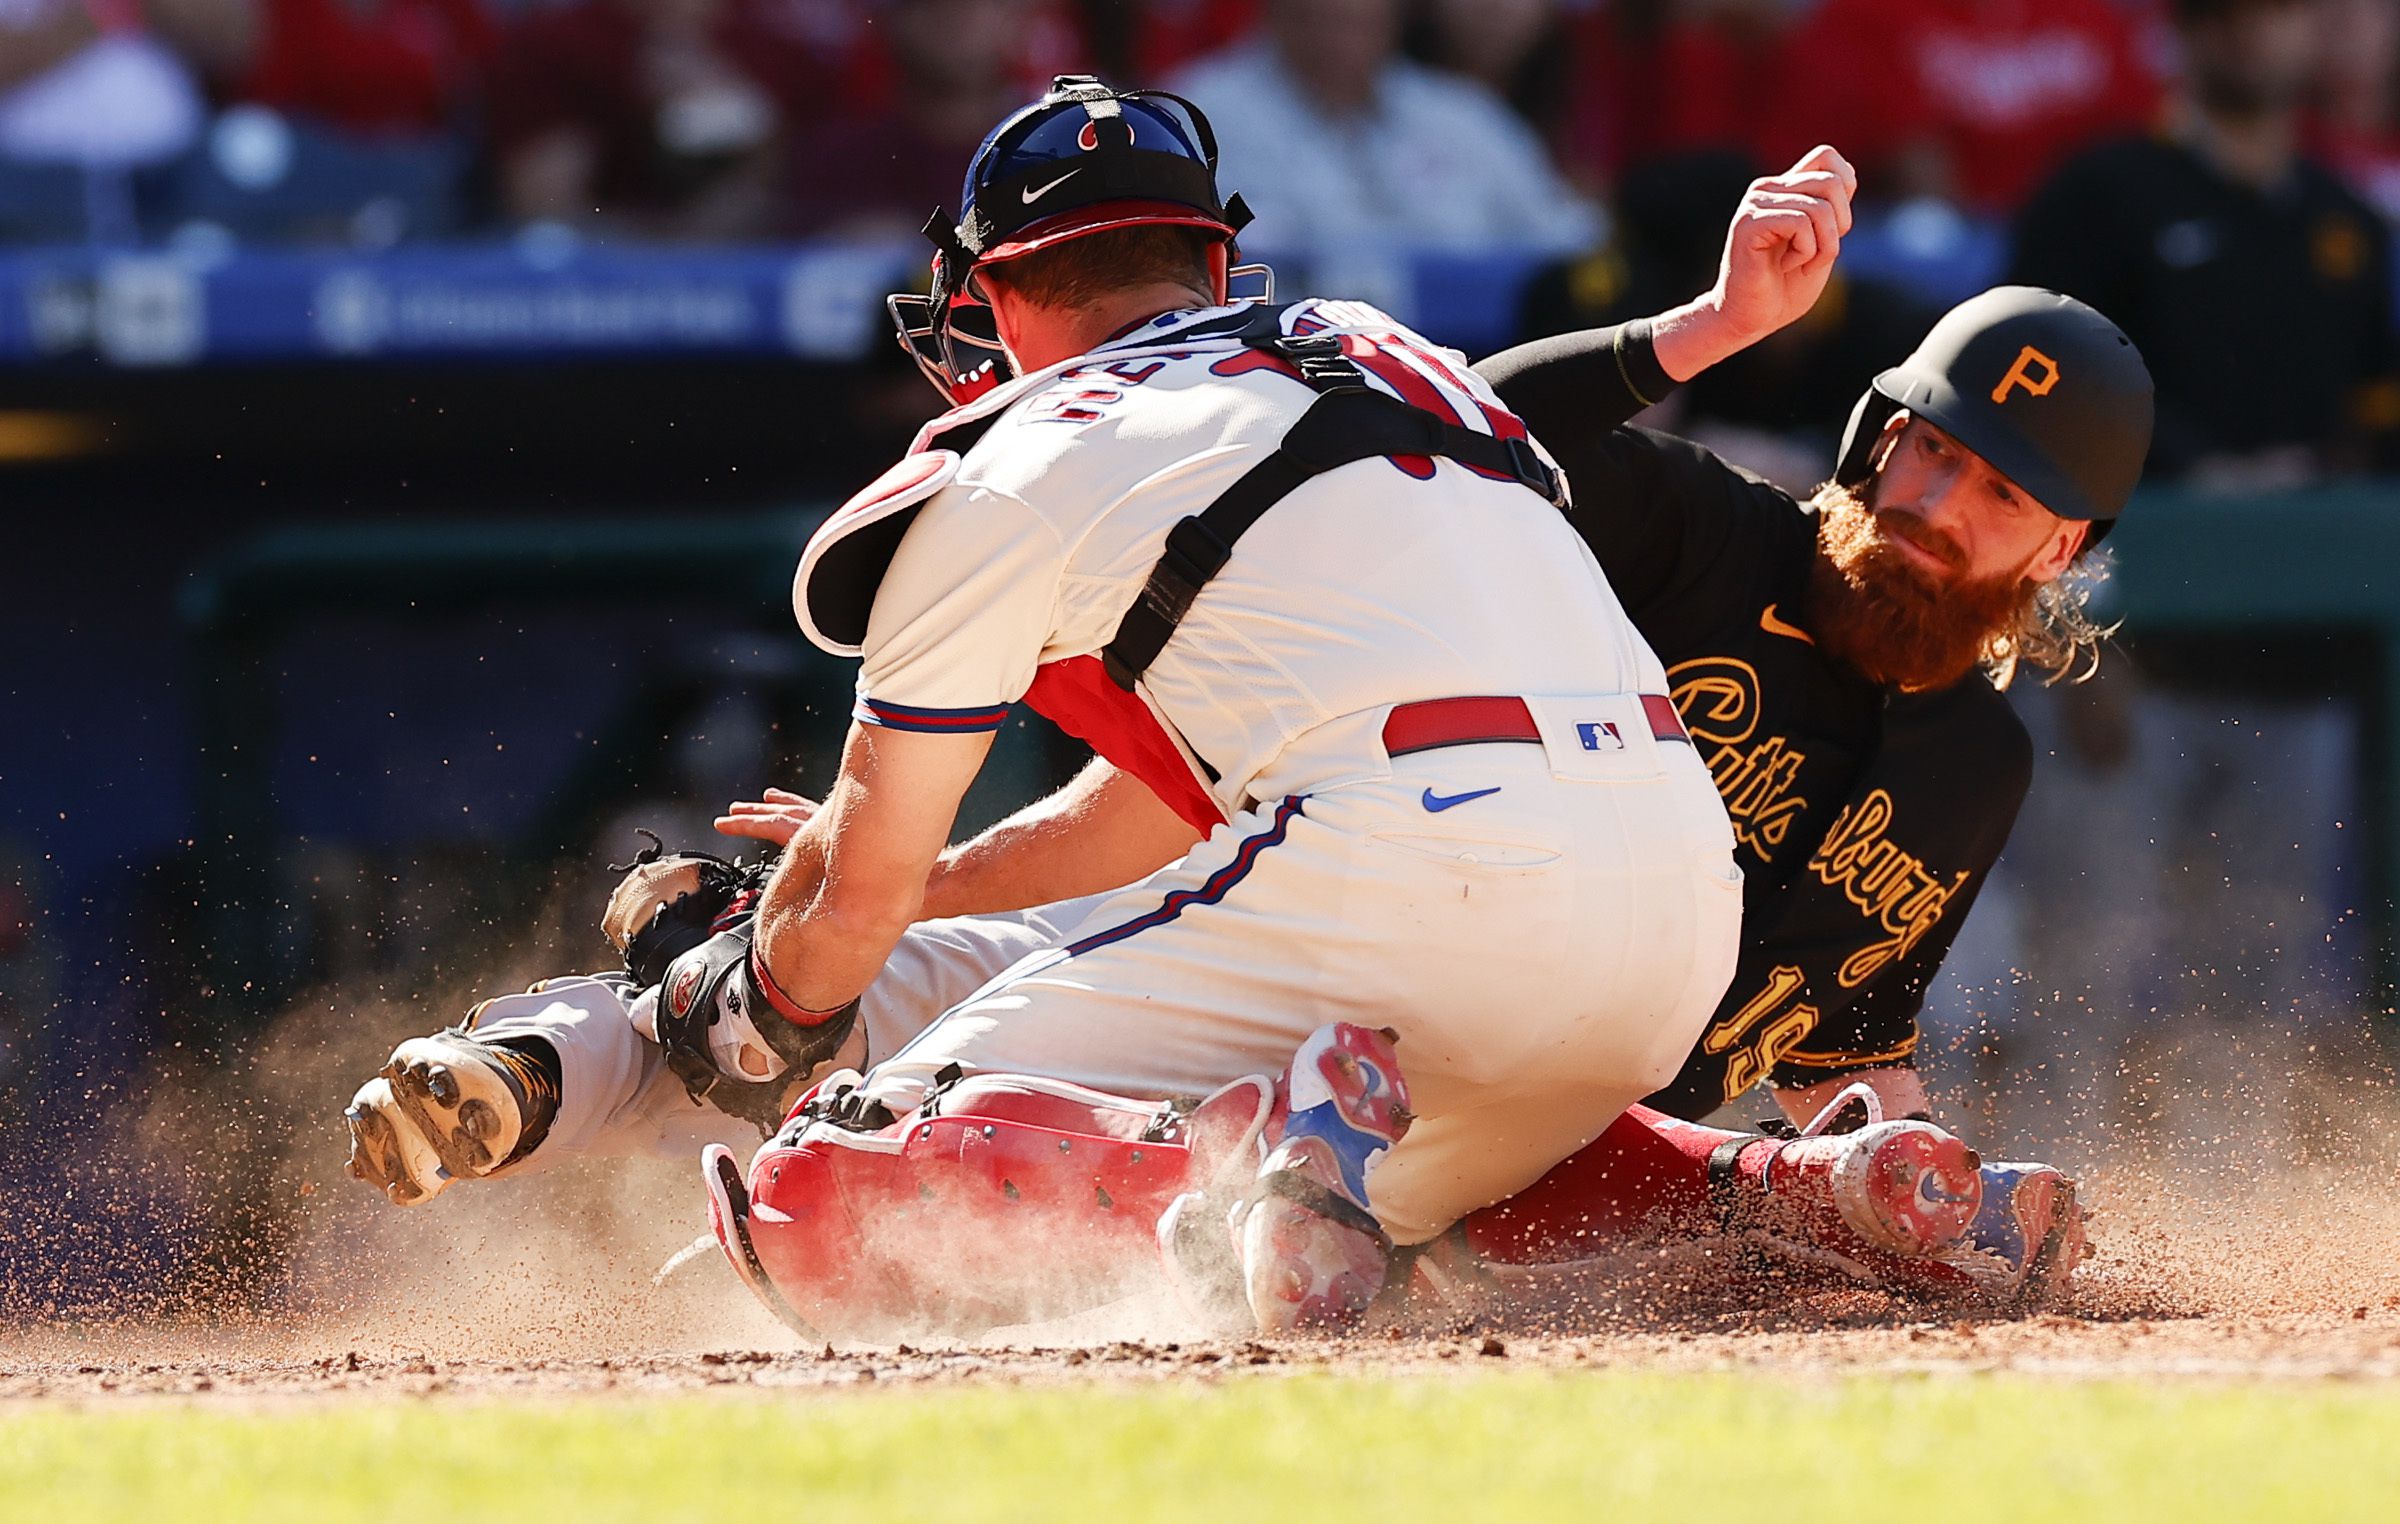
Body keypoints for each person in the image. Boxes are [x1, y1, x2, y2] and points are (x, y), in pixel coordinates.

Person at [350, 104, 2053, 1338]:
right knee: (1400, 1189)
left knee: (825, 1178)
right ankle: (1785, 1193)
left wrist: (768, 988)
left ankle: (1230, 1152)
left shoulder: (1006, 458)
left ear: (1003, 292)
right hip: (1664, 906)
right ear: (1212, 254)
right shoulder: (1374, 343)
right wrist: (910, 895)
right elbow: (1149, 808)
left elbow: (825, 946)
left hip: (1395, 858)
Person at [2011, 0, 2397, 484]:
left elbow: (2377, 398)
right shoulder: (2097, 193)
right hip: (2147, 521)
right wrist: (2190, 464)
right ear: (2182, 31)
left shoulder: (2348, 220)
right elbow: (2036, 371)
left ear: (2313, 28)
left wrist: (2334, 471)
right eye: (2220, 14)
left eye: (2275, 12)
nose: (2248, 33)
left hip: (2316, 528)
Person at [1162, 0, 1599, 253]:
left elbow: (1569, 238)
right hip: (1280, 372)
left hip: (1469, 364)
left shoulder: (1462, 115)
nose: (1348, 23)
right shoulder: (1195, 113)